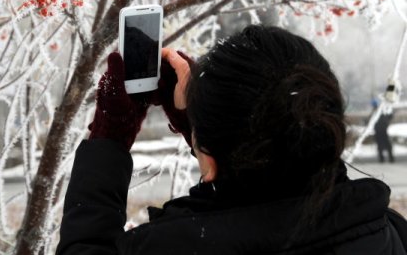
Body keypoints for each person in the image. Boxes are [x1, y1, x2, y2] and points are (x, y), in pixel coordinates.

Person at [57, 25, 407, 254]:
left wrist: (110, 136)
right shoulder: (384, 231)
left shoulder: (168, 247)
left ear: (209, 164)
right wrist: (206, 128)